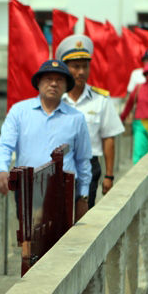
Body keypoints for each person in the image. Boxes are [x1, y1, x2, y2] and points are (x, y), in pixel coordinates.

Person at [0, 59, 92, 222]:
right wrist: (1, 170)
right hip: (28, 187)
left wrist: (83, 196)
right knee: (29, 241)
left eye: (59, 80)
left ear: (66, 86)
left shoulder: (76, 118)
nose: (53, 84)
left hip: (63, 189)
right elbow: (4, 145)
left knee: (61, 242)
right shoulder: (19, 111)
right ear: (38, 82)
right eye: (48, 79)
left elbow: (83, 160)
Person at [56, 35, 124, 205]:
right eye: (76, 67)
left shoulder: (101, 100)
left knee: (84, 214)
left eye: (85, 67)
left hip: (89, 165)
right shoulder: (55, 100)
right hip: (58, 165)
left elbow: (108, 137)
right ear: (65, 68)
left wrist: (109, 175)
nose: (81, 72)